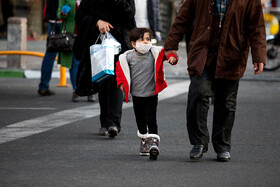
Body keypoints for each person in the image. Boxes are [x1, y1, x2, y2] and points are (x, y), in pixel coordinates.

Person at [164, 0, 266, 161]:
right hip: (203, 53)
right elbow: (183, 17)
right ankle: (199, 142)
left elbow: (256, 26)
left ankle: (223, 146)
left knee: (226, 102)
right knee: (198, 93)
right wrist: (170, 46)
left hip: (232, 54)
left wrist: (259, 56)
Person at [74, 0, 136, 138]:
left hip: (119, 44)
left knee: (115, 80)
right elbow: (81, 16)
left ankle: (114, 123)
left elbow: (130, 17)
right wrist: (97, 22)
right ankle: (105, 122)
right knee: (103, 80)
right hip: (98, 44)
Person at [116, 28, 175, 160]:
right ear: (133, 44)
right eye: (141, 40)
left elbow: (168, 54)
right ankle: (144, 139)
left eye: (148, 39)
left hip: (151, 94)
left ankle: (153, 143)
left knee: (151, 118)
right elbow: (120, 71)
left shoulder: (154, 53)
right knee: (140, 120)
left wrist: (172, 57)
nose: (145, 42)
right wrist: (121, 84)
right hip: (136, 95)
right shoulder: (127, 57)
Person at [38, 0, 61, 96]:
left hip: (52, 19)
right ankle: (77, 90)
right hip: (66, 20)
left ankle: (43, 86)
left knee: (50, 53)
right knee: (74, 55)